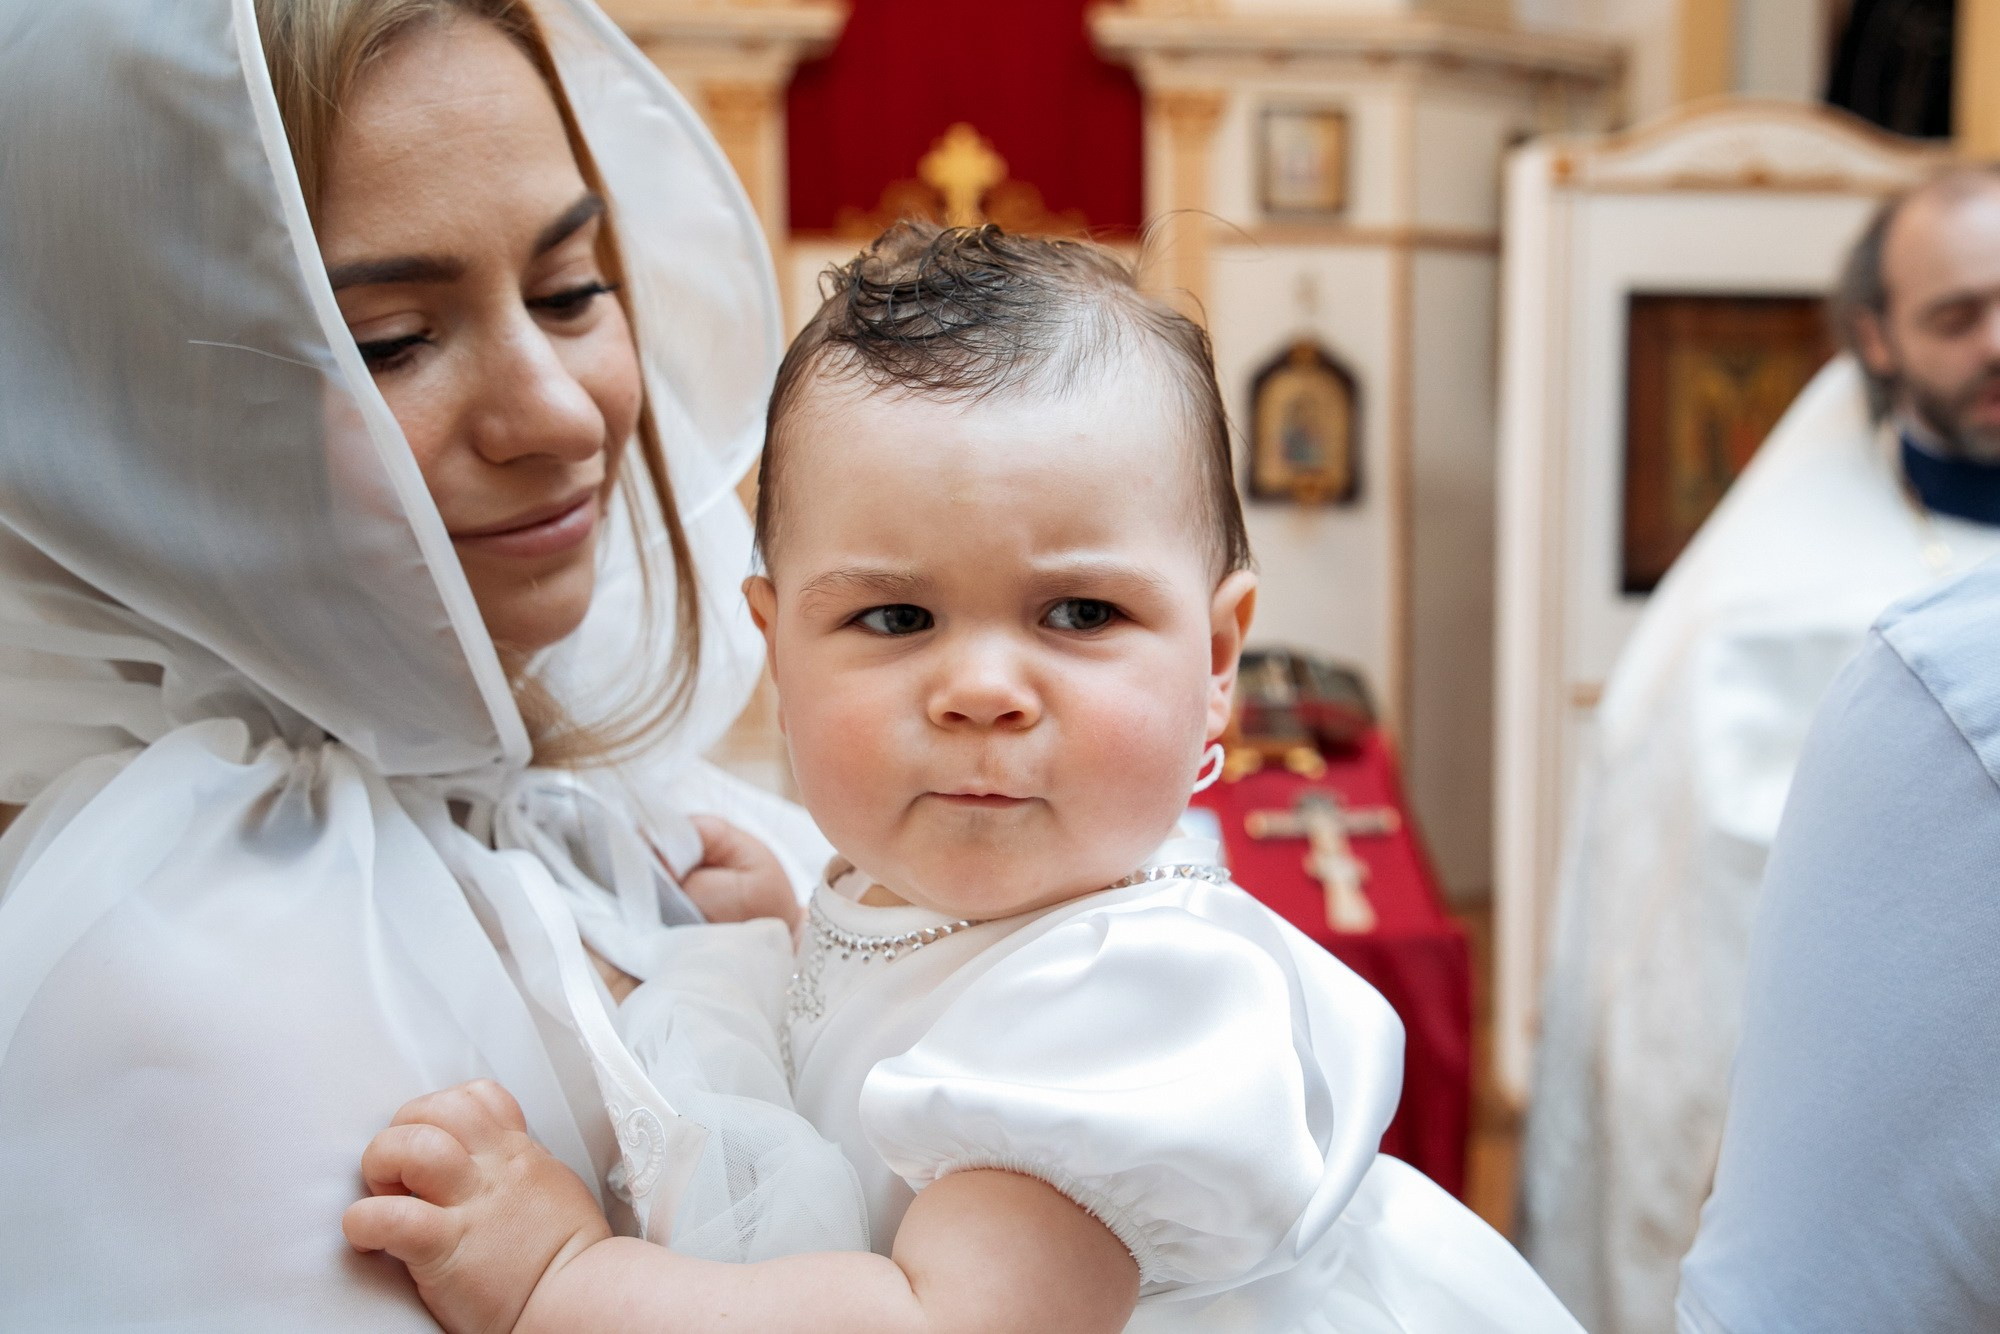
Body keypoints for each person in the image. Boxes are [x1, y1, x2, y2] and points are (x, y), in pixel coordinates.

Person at [340, 224, 1584, 1334]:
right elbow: (909, 1030)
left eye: (1078, 610)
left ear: (1215, 659)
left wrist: (554, 1279)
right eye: (893, 617)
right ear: (776, 648)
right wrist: (791, 940)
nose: (980, 686)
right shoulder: (914, 891)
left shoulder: (1139, 998)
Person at [0, 1, 867, 1326]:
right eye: (391, 340)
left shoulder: (622, 806)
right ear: (132, 418)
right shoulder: (186, 977)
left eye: (573, 291)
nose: (563, 413)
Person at [1520, 164, 2000, 1333]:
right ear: (1872, 339)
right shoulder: (1758, 604)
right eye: (1955, 316)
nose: (1999, 342)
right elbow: (1696, 911)